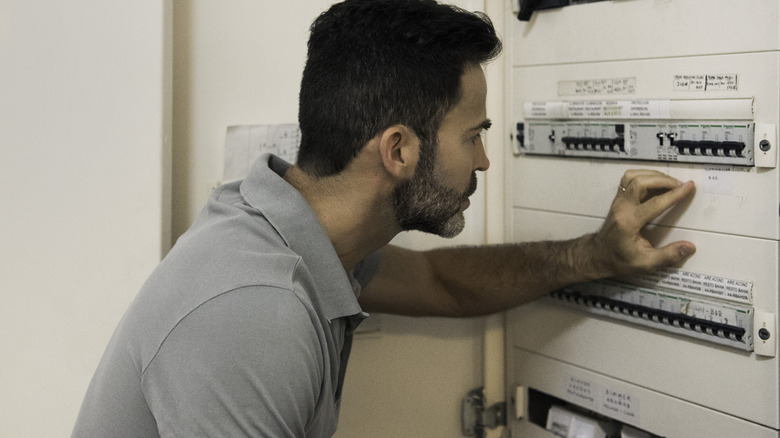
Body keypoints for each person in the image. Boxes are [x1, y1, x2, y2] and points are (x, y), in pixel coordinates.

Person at [71, 0, 696, 437]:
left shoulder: (291, 227)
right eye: (472, 136)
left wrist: (594, 256)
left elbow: (439, 284)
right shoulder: (253, 310)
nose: (483, 160)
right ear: (398, 150)